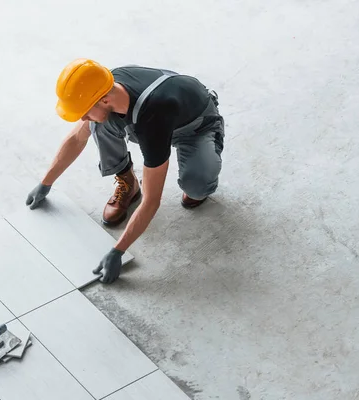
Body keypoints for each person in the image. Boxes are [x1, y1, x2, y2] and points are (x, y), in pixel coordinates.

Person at [26, 59, 225, 284]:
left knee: (196, 187)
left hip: (195, 126)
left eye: (83, 112)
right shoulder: (104, 85)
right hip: (152, 114)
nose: (81, 117)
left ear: (105, 99)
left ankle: (204, 162)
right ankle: (128, 183)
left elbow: (151, 202)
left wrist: (118, 251)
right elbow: (77, 137)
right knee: (97, 124)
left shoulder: (153, 117)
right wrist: (46, 182)